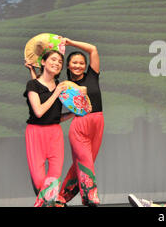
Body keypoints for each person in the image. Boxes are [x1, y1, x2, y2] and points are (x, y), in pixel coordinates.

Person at [58, 38, 105, 206]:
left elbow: (93, 49)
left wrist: (70, 43)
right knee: (85, 161)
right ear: (68, 66)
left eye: (81, 63)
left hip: (98, 122)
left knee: (84, 162)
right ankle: (91, 195)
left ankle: (61, 198)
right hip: (80, 126)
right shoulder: (65, 86)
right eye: (74, 63)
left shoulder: (92, 75)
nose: (78, 66)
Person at [23, 50, 73, 207]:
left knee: (54, 178)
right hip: (36, 133)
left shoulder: (60, 86)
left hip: (55, 133)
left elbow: (55, 116)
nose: (57, 63)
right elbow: (39, 111)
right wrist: (56, 92)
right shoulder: (32, 85)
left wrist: (74, 113)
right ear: (43, 62)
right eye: (53, 59)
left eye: (60, 62)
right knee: (39, 181)